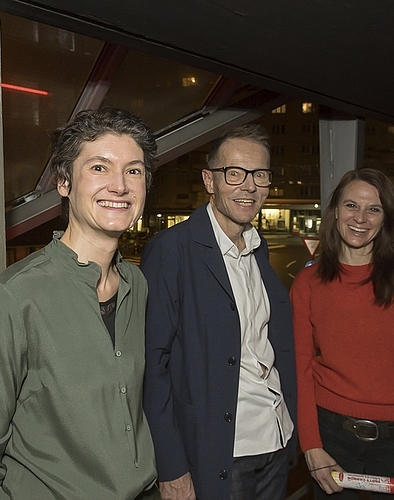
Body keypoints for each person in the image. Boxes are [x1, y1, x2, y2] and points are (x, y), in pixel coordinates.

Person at [0, 108, 158, 500]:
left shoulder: (136, 284)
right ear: (64, 182)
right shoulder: (19, 295)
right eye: (99, 168)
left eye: (133, 171)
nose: (120, 185)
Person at [142, 124, 297, 500]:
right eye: (235, 173)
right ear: (209, 180)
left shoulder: (259, 250)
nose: (249, 186)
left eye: (259, 174)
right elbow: (151, 368)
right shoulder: (172, 250)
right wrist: (172, 467)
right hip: (222, 454)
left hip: (276, 441)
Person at [290, 168, 394, 500]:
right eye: (351, 205)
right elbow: (301, 370)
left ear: (386, 217)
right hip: (332, 438)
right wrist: (312, 447)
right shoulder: (308, 283)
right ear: (334, 211)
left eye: (373, 209)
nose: (360, 218)